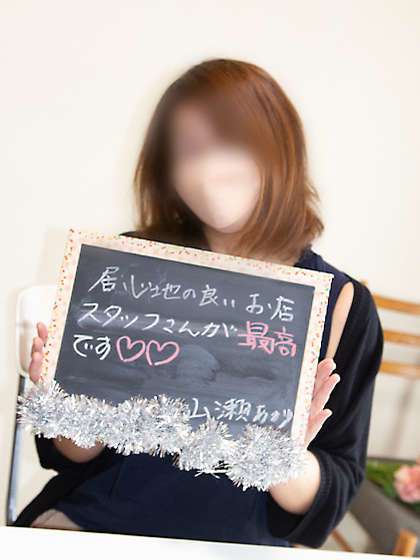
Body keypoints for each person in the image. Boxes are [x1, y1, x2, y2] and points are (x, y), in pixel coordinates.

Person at [16, 59, 383, 548]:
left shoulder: (342, 305)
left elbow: (335, 487)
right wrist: (72, 401)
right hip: (91, 526)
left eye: (230, 142)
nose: (209, 168)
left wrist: (283, 456)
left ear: (279, 147)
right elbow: (71, 455)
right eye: (188, 150)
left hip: (233, 544)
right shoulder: (128, 267)